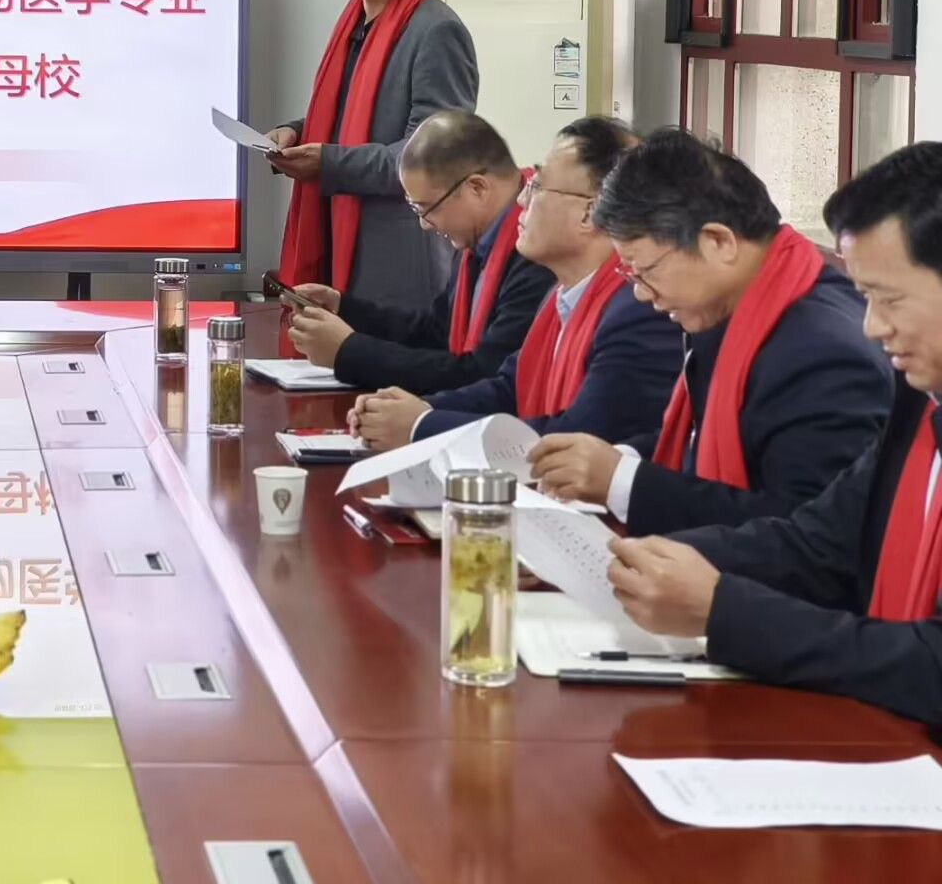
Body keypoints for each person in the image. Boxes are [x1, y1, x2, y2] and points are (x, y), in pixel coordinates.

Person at [606, 142, 942, 726]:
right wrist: (633, 562)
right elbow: (818, 542)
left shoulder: (828, 348)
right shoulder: (921, 399)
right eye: (866, 298)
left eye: (889, 299)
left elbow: (932, 666)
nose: (871, 327)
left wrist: (723, 611)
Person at [529, 128, 890, 534]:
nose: (641, 294)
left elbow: (803, 531)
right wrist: (621, 458)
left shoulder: (821, 354)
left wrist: (622, 482)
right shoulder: (736, 302)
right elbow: (697, 442)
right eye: (628, 274)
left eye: (645, 271)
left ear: (718, 241)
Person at [349, 117, 682, 451]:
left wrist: (421, 425)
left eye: (538, 186)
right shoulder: (561, 296)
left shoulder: (638, 309)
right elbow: (510, 388)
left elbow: (576, 439)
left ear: (589, 213)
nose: (522, 198)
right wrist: (415, 409)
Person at [265, 0, 478, 315]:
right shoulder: (355, 25)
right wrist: (297, 132)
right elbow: (353, 115)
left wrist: (328, 163)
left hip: (400, 262)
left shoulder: (436, 31)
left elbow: (431, 157)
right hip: (339, 234)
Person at [289, 109, 552, 396]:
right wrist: (344, 309)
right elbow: (436, 333)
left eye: (427, 208)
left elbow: (482, 375)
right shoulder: (478, 240)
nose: (425, 224)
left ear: (477, 188)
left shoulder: (538, 252)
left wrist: (348, 352)